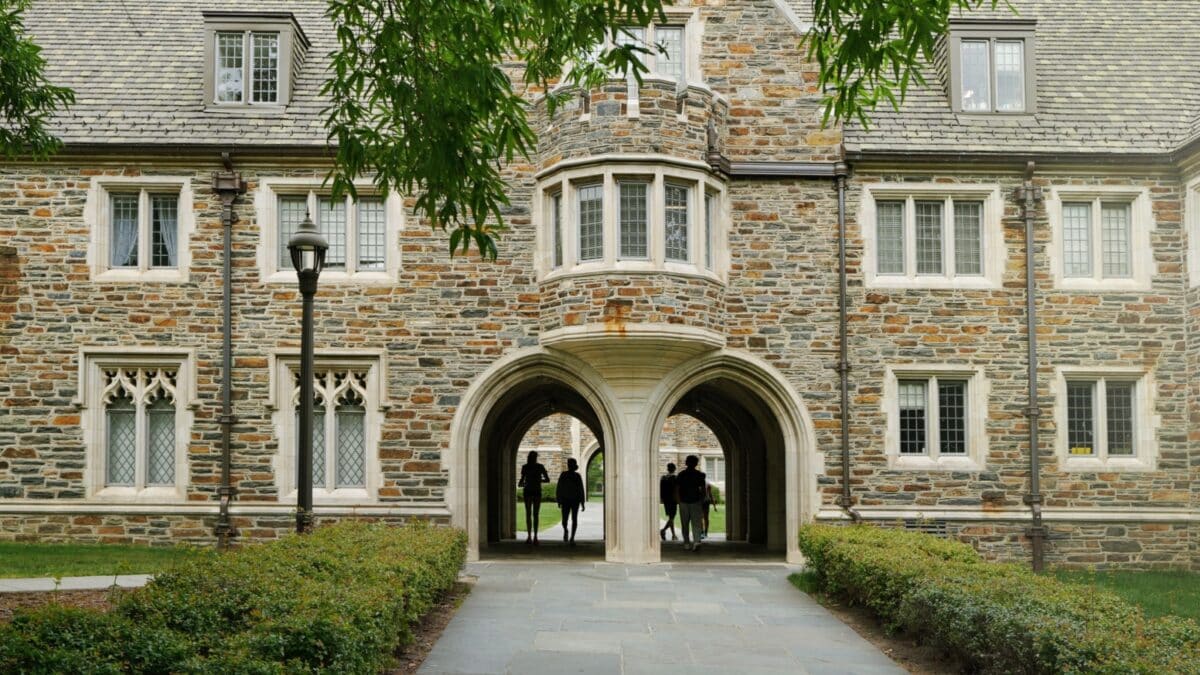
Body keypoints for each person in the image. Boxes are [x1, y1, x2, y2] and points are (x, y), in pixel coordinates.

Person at [673, 455, 706, 552]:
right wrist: (701, 500)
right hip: (694, 501)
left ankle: (687, 543)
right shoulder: (699, 475)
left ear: (686, 463)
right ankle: (696, 541)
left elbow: (677, 489)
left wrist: (679, 501)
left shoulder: (681, 474)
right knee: (696, 523)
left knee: (685, 523)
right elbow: (703, 490)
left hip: (685, 502)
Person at [517, 451, 550, 545]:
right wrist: (539, 480)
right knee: (533, 514)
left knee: (531, 514)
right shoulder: (538, 467)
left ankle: (532, 536)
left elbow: (521, 481)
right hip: (534, 491)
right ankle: (533, 536)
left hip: (531, 491)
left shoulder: (527, 467)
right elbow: (547, 479)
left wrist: (533, 481)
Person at [555, 457, 586, 545]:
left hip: (575, 500)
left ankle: (572, 537)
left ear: (573, 465)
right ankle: (566, 530)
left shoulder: (577, 476)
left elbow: (581, 489)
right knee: (564, 520)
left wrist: (582, 503)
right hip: (565, 500)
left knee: (574, 519)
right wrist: (559, 499)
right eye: (568, 464)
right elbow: (559, 487)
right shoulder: (563, 475)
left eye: (570, 464)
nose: (569, 465)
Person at [659, 463, 679, 541]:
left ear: (668, 469)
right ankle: (663, 530)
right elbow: (677, 489)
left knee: (671, 517)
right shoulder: (675, 478)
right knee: (672, 517)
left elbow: (661, 489)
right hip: (673, 500)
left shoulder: (663, 478)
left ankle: (673, 535)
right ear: (674, 469)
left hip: (666, 500)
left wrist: (662, 499)